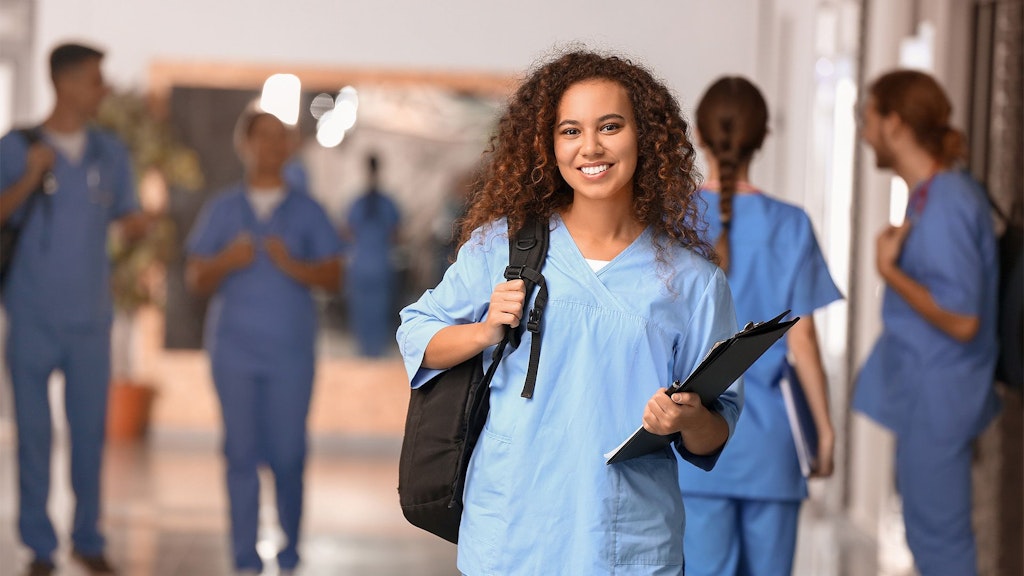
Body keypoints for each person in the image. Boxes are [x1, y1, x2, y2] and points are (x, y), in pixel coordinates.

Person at [397, 50, 742, 575]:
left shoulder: (692, 282)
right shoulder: (504, 248)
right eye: (570, 130)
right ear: (548, 144)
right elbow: (417, 333)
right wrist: (484, 331)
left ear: (644, 137)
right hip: (514, 527)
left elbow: (715, 431)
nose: (591, 147)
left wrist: (689, 417)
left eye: (610, 126)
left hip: (625, 539)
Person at [676, 77, 842, 576]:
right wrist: (826, 433)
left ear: (699, 136)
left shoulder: (673, 220)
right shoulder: (791, 224)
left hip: (695, 446)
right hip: (772, 450)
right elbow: (804, 341)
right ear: (764, 137)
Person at [0, 42, 150, 576]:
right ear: (64, 84)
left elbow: (128, 220)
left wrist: (135, 228)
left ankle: (88, 538)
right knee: (34, 437)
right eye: (95, 80)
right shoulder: (17, 146)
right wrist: (26, 177)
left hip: (91, 318)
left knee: (89, 436)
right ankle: (39, 547)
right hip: (31, 316)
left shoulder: (112, 153)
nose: (104, 89)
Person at [852, 69, 1000, 576]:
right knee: (926, 535)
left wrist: (889, 271)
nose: (864, 130)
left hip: (943, 397)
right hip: (928, 396)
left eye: (867, 117)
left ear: (894, 123)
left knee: (941, 545)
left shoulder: (948, 202)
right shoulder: (928, 196)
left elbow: (962, 319)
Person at [185, 105, 342, 576]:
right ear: (244, 145)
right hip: (233, 351)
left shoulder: (308, 211)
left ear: (290, 147)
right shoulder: (223, 209)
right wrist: (226, 260)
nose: (272, 146)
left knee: (289, 454)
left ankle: (290, 550)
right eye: (263, 136)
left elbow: (334, 275)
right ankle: (244, 559)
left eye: (281, 137)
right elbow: (195, 277)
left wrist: (294, 265)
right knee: (239, 453)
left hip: (290, 354)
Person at [342, 153, 401, 357]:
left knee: (364, 311)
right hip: (379, 263)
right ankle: (374, 351)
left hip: (362, 264)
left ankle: (367, 350)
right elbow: (396, 234)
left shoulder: (358, 203)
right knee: (377, 310)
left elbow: (347, 232)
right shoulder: (386, 203)